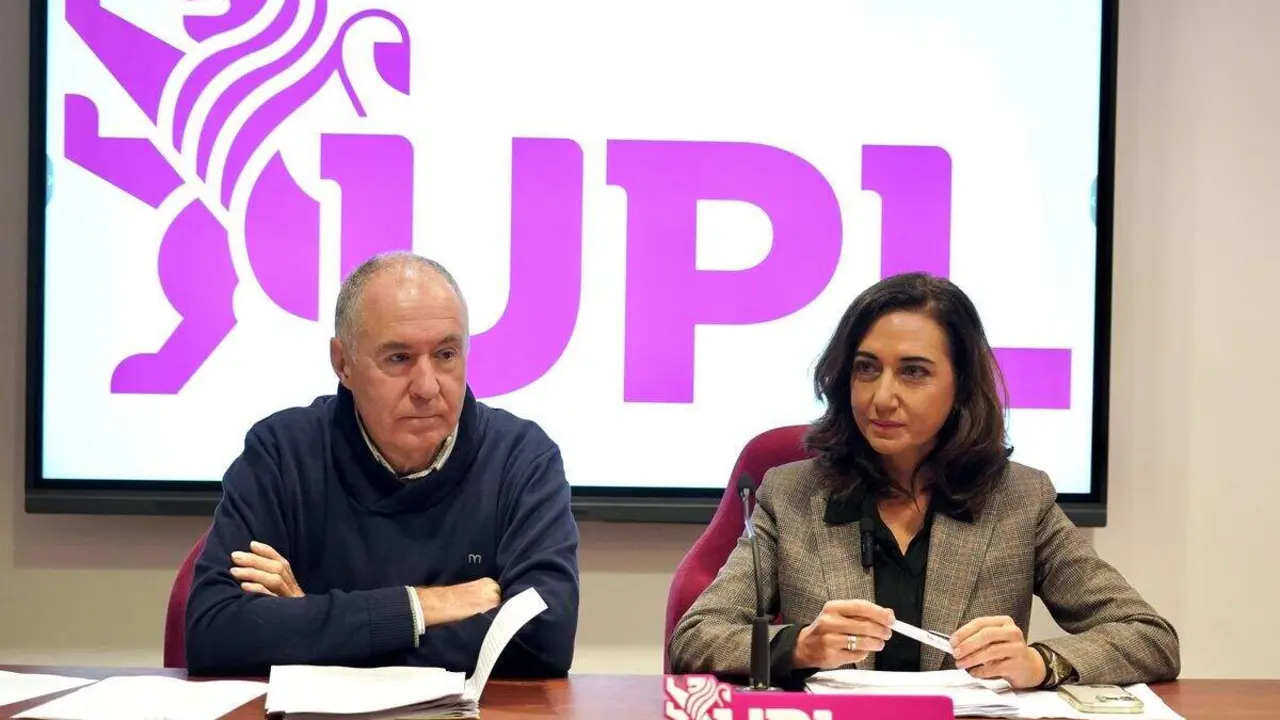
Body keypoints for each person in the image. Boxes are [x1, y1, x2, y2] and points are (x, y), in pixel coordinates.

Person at [668, 272, 1180, 690]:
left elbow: (1148, 637)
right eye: (866, 369)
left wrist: (1042, 663)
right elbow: (694, 637)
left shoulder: (1019, 499)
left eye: (913, 372)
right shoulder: (792, 493)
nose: (881, 397)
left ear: (960, 386)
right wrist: (798, 646)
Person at [185, 252, 579, 677]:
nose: (427, 387)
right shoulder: (282, 454)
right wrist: (425, 605)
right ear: (343, 364)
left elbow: (543, 640)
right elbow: (214, 633)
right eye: (398, 359)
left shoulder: (522, 459)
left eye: (446, 354)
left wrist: (310, 624)